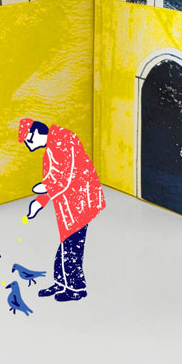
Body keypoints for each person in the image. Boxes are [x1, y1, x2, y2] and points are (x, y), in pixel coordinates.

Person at [18, 117, 106, 302]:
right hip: (67, 206)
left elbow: (67, 174)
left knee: (72, 247)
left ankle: (76, 289)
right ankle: (61, 282)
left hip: (81, 202)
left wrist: (45, 187)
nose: (28, 146)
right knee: (66, 245)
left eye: (28, 140)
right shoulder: (49, 150)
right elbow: (51, 179)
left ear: (35, 133)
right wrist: (38, 204)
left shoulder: (65, 139)